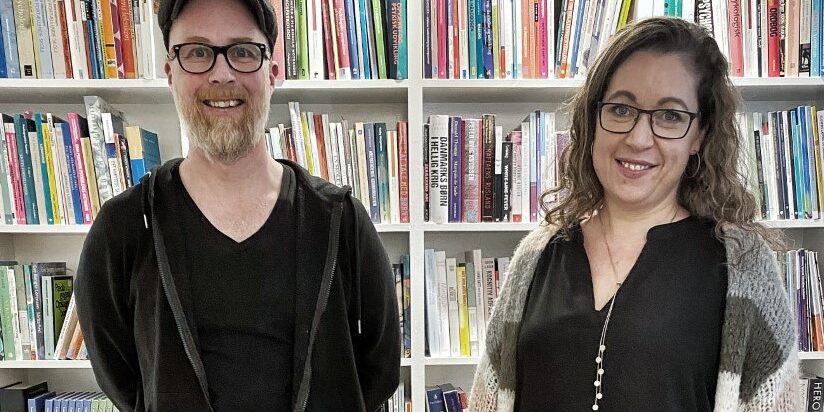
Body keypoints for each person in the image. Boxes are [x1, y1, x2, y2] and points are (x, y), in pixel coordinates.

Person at [74, 0, 400, 410]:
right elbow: (120, 376)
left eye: (243, 51)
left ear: (272, 73)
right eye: (197, 52)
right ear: (171, 74)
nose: (222, 73)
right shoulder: (125, 228)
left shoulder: (340, 220)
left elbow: (379, 368)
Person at [469, 17, 798, 412]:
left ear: (700, 136)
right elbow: (488, 399)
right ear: (594, 119)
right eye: (621, 109)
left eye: (670, 115)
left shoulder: (742, 265)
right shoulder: (538, 256)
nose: (639, 138)